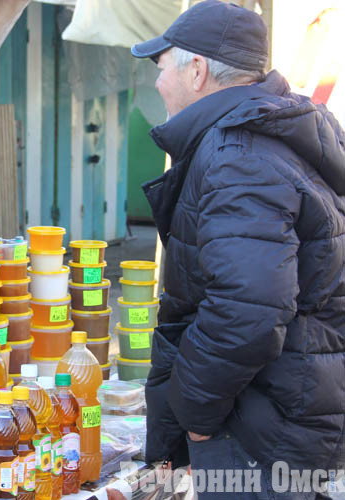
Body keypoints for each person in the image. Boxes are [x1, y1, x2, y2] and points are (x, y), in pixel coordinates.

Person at [131, 1, 345, 497]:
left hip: (256, 428)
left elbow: (246, 309)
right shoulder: (271, 137)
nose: (158, 84)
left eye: (161, 69)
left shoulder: (239, 153)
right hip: (290, 413)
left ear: (198, 71)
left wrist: (196, 414)